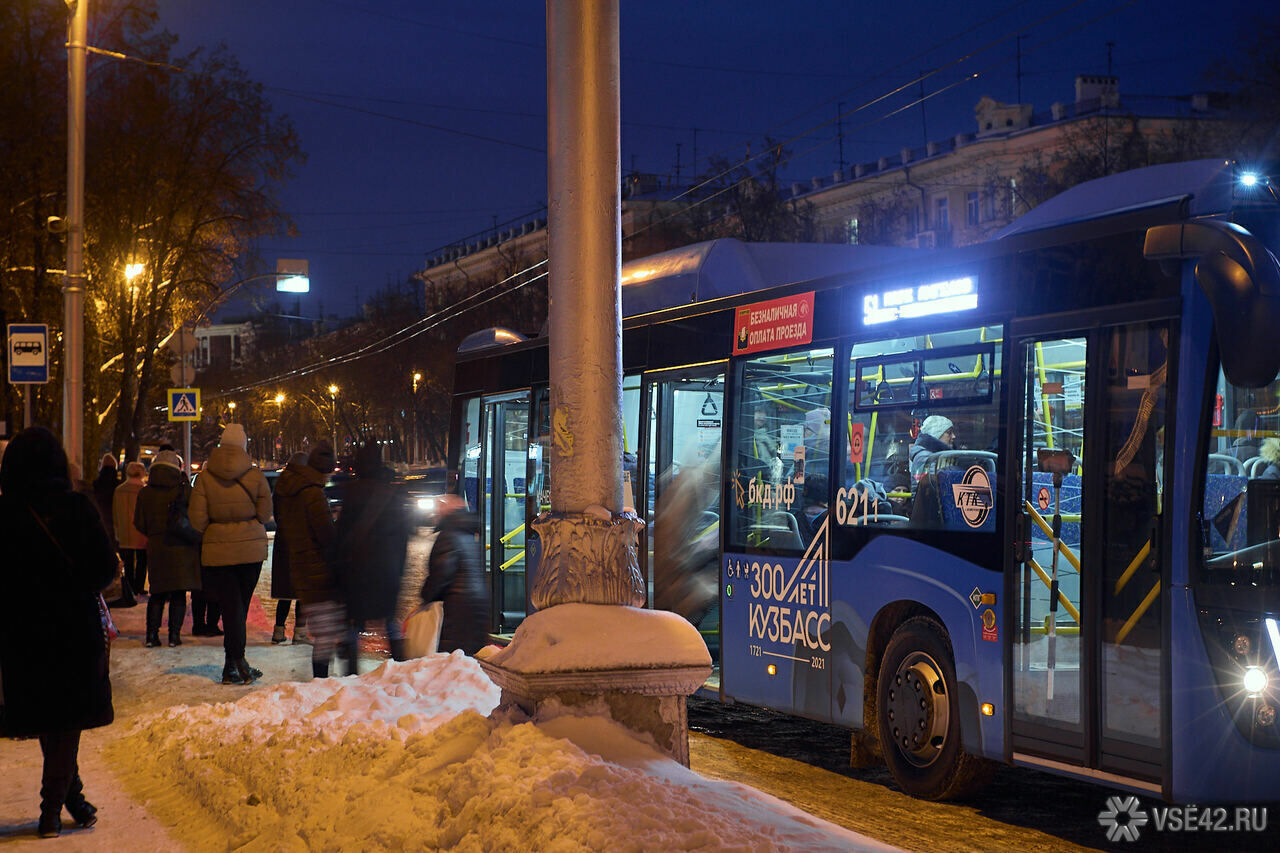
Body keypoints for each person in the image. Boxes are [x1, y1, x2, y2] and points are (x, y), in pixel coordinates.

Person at [0, 427, 116, 838]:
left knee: (51, 718)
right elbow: (104, 571)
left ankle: (74, 798)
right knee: (66, 719)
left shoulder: (4, 512)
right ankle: (52, 810)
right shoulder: (77, 509)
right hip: (72, 629)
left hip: (20, 633)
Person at [189, 424, 273, 685]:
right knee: (240, 608)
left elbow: (196, 519)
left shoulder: (204, 478)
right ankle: (237, 663)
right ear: (244, 446)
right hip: (250, 552)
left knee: (230, 609)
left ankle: (232, 665)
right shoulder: (256, 476)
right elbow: (265, 514)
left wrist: (216, 528)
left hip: (218, 552)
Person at [334, 444, 412, 662]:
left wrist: (339, 568)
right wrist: (399, 568)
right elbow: (404, 536)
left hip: (357, 569)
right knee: (389, 622)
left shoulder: (352, 492)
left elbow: (342, 534)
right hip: (387, 570)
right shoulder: (393, 493)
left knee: (353, 624)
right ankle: (400, 670)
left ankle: (352, 676)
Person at [277, 442, 340, 678]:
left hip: (300, 562)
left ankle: (321, 681)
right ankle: (321, 683)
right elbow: (325, 534)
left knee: (323, 628)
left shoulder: (292, 489)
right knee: (326, 632)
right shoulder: (312, 493)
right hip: (316, 565)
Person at [132, 450, 202, 648]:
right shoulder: (185, 490)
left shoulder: (145, 493)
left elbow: (139, 522)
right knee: (179, 593)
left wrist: (154, 534)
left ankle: (151, 636)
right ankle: (174, 636)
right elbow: (197, 518)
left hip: (157, 548)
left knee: (158, 593)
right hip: (182, 548)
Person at [420, 494, 489, 656]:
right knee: (469, 657)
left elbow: (442, 571)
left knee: (452, 658)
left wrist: (426, 597)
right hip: (477, 603)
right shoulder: (469, 533)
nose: (436, 513)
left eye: (439, 509)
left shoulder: (448, 535)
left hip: (458, 605)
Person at [271, 452, 311, 645]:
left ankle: (278, 631)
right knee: (302, 591)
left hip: (283, 541)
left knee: (284, 591)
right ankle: (300, 633)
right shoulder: (305, 486)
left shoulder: (280, 486)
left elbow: (276, 513)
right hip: (302, 542)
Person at [112, 461, 149, 595]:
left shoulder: (119, 490)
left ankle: (129, 586)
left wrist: (117, 528)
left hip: (125, 531)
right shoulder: (144, 490)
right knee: (141, 561)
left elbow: (115, 512)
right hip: (141, 532)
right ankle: (139, 586)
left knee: (127, 561)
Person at [909, 415, 956, 480]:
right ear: (936, 434)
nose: (953, 436)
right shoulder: (924, 457)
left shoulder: (939, 455)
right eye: (949, 433)